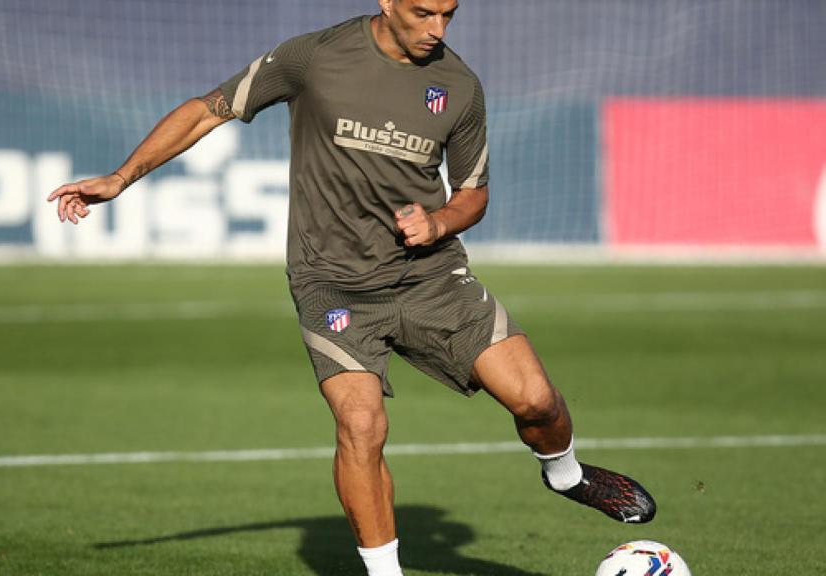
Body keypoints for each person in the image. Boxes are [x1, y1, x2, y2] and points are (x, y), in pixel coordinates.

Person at [48, 1, 656, 575]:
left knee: (537, 402)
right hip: (331, 285)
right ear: (387, 0)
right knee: (361, 425)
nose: (438, 27)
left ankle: (566, 475)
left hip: (430, 275)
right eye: (424, 12)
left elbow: (474, 192)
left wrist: (440, 221)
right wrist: (121, 177)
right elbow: (208, 109)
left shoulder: (460, 86)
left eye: (449, 13)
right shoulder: (312, 57)